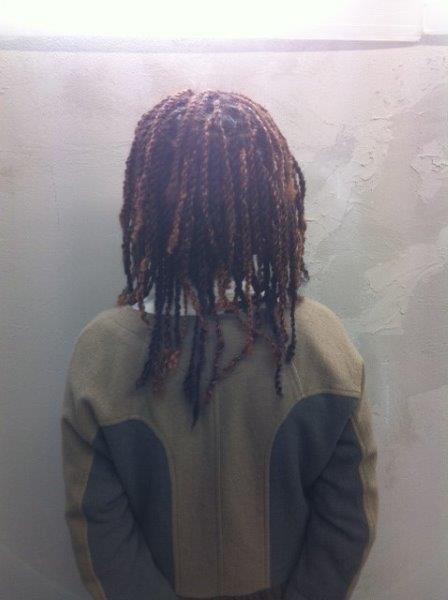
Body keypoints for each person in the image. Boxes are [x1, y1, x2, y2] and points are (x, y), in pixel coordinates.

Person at [60, 88, 378, 600]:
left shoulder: (103, 354)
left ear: (145, 204)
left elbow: (100, 531)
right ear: (274, 207)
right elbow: (348, 521)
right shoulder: (321, 344)